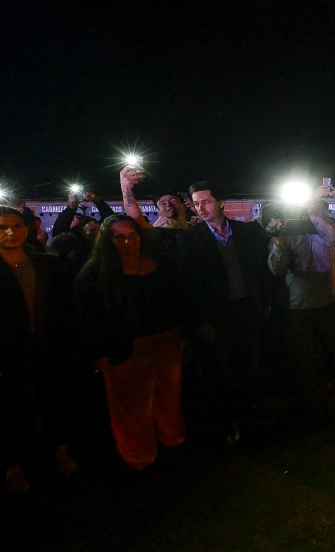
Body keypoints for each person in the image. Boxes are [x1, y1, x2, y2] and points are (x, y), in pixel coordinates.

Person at [74, 215, 185, 470]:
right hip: (125, 348)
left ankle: (171, 438)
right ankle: (139, 453)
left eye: (131, 235)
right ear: (106, 240)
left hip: (165, 342)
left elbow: (176, 299)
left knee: (168, 395)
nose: (127, 241)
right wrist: (100, 352)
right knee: (131, 406)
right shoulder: (94, 274)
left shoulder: (159, 264)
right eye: (118, 236)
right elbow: (89, 319)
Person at [176, 181, 275, 445]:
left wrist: (263, 301)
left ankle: (248, 409)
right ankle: (228, 420)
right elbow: (189, 285)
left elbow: (258, 270)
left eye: (206, 202)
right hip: (217, 316)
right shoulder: (189, 239)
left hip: (246, 309)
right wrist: (201, 321)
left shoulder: (245, 232)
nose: (201, 208)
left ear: (221, 202)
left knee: (248, 364)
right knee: (220, 370)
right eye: (196, 204)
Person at [0, 205, 76, 492]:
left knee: (53, 399)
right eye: (2, 227)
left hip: (47, 347)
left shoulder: (45, 264)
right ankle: (13, 465)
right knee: (10, 408)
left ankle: (60, 449)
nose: (11, 232)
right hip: (8, 352)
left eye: (17, 226)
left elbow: (64, 310)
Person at [267, 184, 335, 415]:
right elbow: (276, 268)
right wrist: (279, 241)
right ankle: (310, 400)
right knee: (303, 356)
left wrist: (313, 214)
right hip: (298, 305)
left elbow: (332, 239)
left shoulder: (326, 226)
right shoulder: (286, 229)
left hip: (329, 301)